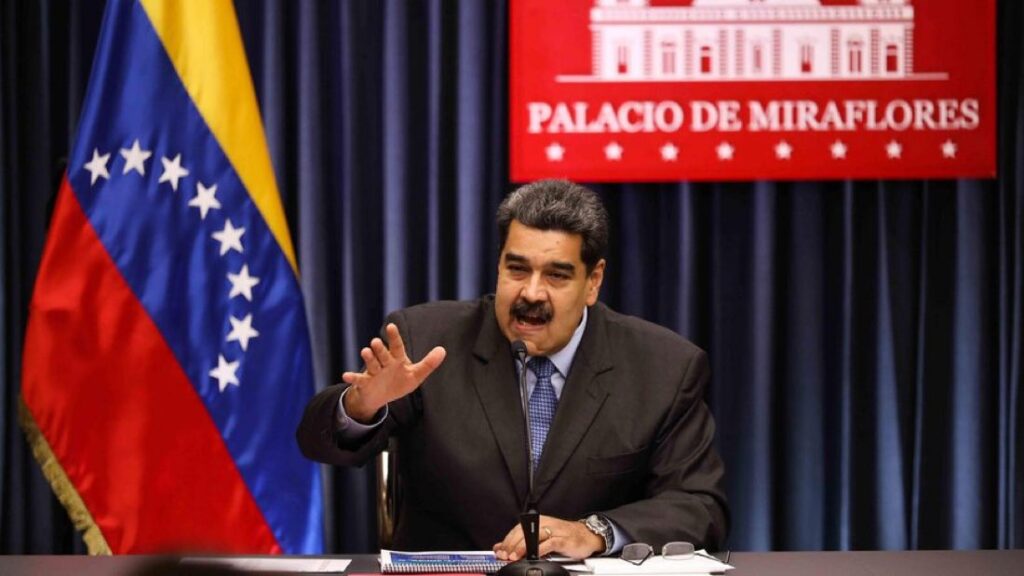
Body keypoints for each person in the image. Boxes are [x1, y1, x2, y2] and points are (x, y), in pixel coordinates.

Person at [297, 179, 728, 560]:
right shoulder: (427, 340)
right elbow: (316, 444)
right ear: (499, 264)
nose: (532, 293)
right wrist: (362, 406)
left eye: (557, 276)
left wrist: (594, 533)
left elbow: (699, 505)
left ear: (593, 281)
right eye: (517, 269)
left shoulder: (662, 367)